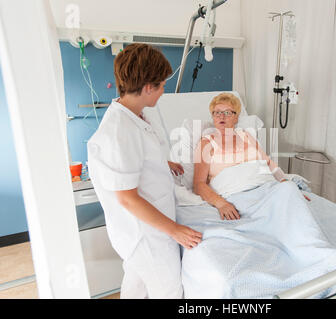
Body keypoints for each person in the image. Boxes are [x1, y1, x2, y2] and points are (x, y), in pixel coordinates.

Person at [87, 43, 202, 299]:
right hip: (145, 234)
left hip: (145, 228)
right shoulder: (119, 131)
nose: (163, 91)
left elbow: (138, 159)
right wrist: (175, 230)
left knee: (136, 283)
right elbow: (127, 198)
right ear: (148, 87)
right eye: (161, 85)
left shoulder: (133, 114)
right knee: (169, 290)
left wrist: (164, 164)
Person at [193, 93, 288, 221]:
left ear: (236, 118)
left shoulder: (246, 136)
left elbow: (269, 163)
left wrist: (285, 184)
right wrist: (222, 204)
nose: (221, 116)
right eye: (217, 112)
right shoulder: (206, 143)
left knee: (290, 192)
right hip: (238, 195)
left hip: (266, 186)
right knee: (280, 211)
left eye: (227, 112)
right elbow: (199, 184)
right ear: (213, 117)